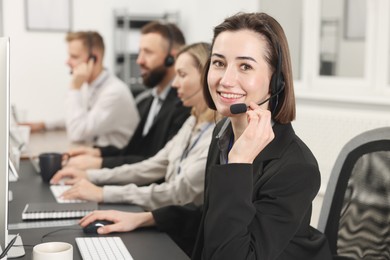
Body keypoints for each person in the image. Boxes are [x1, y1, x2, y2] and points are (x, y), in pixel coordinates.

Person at [77, 12, 332, 259]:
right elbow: (215, 215)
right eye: (219, 63)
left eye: (245, 66)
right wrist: (145, 218)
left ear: (276, 81)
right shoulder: (223, 133)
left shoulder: (296, 167)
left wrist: (239, 163)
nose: (225, 80)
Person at [51, 43, 218, 211]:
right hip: (168, 215)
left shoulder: (216, 134)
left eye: (182, 75)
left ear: (206, 78)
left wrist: (104, 193)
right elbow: (152, 165)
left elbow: (178, 192)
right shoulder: (192, 121)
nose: (175, 84)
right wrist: (91, 176)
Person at [63, 22, 191, 170]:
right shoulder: (150, 101)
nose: (139, 60)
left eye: (148, 52)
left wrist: (100, 163)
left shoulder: (183, 105)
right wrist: (98, 153)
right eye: (140, 52)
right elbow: (136, 151)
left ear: (172, 58)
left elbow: (158, 164)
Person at [22, 31, 139, 148]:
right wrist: (44, 125)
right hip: (98, 151)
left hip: (117, 159)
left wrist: (74, 88)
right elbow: (83, 118)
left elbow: (76, 133)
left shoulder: (114, 92)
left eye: (74, 56)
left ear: (94, 59)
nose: (67, 62)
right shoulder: (92, 86)